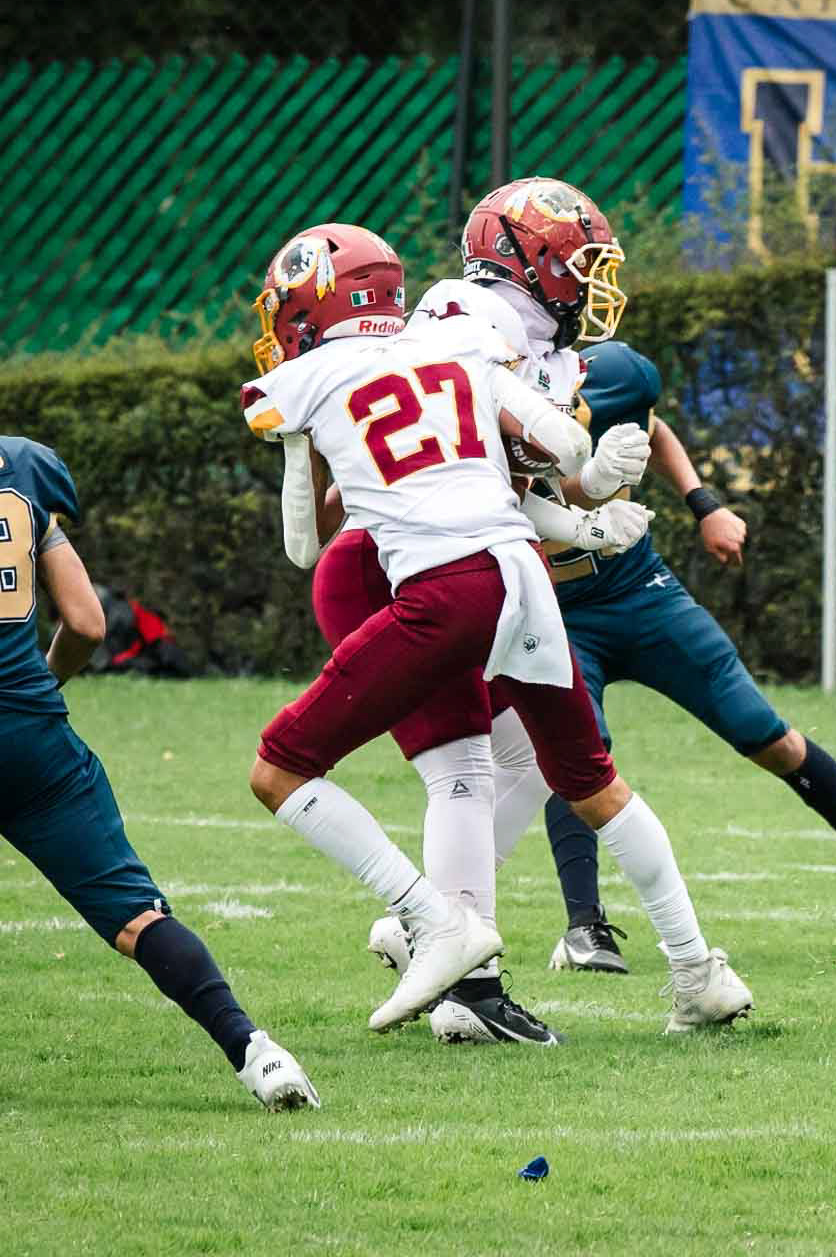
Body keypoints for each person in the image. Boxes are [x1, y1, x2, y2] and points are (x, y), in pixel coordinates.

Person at [243, 218, 752, 1036]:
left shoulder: (355, 363)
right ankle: (688, 970)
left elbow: (312, 539)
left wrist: (582, 511)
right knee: (570, 777)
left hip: (440, 578)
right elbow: (556, 450)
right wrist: (588, 505)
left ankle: (436, 929)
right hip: (506, 570)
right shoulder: (461, 338)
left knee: (368, 769)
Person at [0, 301, 316, 1110]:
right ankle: (257, 1052)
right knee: (134, 915)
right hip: (29, 737)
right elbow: (88, 623)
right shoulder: (20, 465)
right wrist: (35, 689)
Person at [537, 337, 836, 973]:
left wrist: (704, 503)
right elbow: (525, 495)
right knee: (579, 755)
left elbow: (653, 429)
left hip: (637, 589)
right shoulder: (498, 403)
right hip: (555, 607)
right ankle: (585, 925)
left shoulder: (601, 389)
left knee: (762, 732)